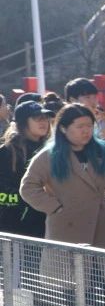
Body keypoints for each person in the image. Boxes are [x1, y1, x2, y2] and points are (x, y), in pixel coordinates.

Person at [20, 103, 105, 306]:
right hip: (67, 228)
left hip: (102, 227)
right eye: (80, 126)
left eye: (89, 125)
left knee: (104, 285)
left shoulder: (103, 151)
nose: (86, 131)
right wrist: (55, 207)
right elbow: (28, 188)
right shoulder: (49, 155)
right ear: (63, 128)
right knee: (75, 287)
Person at [0, 101, 52, 237]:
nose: (44, 122)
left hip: (46, 223)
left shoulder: (53, 149)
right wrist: (31, 200)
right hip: (13, 228)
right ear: (23, 122)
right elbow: (2, 193)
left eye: (45, 117)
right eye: (37, 118)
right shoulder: (7, 151)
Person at [64, 77, 105, 155]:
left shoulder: (104, 125)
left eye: (95, 97)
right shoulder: (62, 124)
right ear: (73, 100)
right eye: (87, 97)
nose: (93, 101)